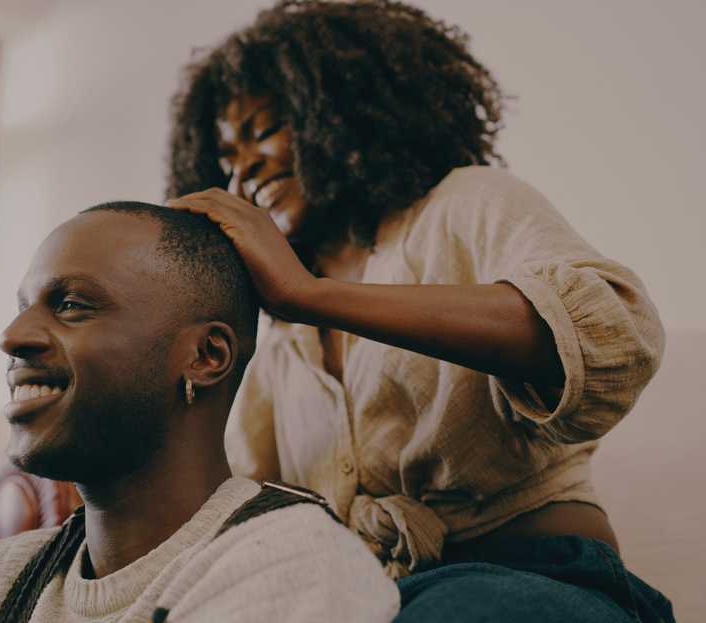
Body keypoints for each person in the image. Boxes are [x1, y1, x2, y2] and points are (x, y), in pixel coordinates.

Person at [165, 1, 673, 621]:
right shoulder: (282, 347)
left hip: (543, 581)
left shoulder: (463, 204)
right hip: (370, 602)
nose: (242, 167)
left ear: (339, 111)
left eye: (264, 129)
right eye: (225, 156)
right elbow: (260, 508)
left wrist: (309, 294)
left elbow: (615, 338)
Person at [0, 202, 398, 623]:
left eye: (71, 305)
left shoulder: (292, 567)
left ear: (206, 357)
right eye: (24, 305)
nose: (12, 335)